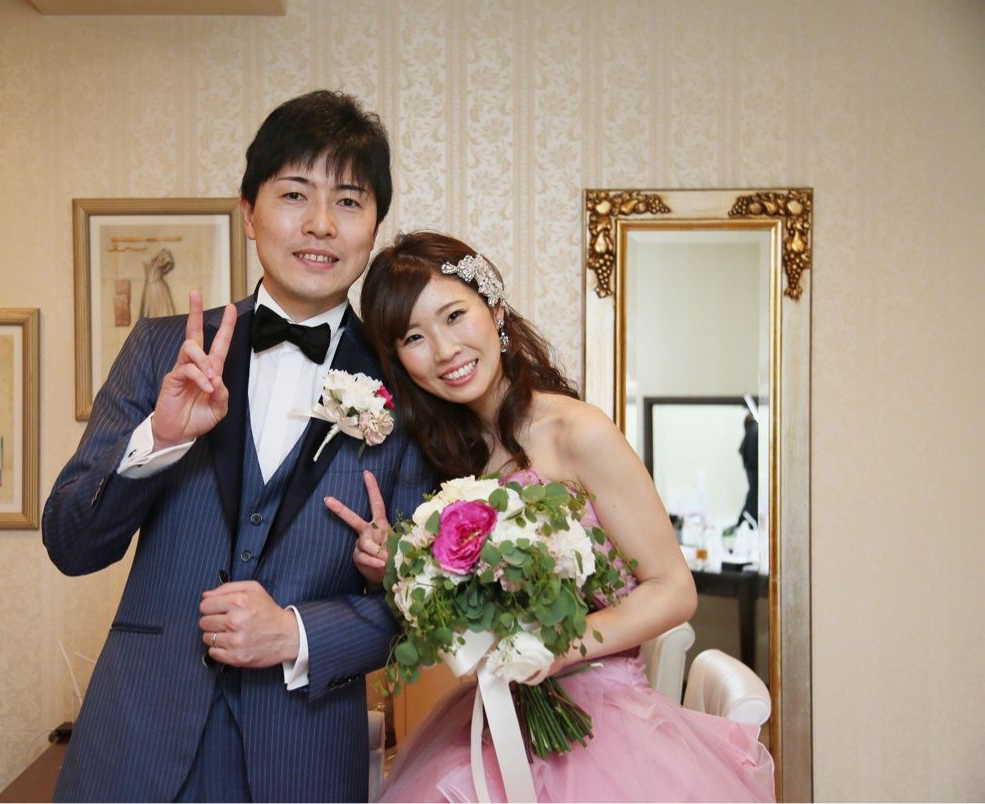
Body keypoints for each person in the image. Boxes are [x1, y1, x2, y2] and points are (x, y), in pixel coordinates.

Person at [41, 91, 431, 803]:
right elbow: (71, 544)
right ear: (249, 211)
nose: (320, 224)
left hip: (303, 756)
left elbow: (425, 601)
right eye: (294, 194)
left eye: (348, 201)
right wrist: (158, 440)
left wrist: (296, 633)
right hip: (136, 743)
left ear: (374, 225)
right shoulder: (162, 348)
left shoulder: (407, 386)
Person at [327, 231, 776, 802]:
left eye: (455, 316)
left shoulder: (577, 432)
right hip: (497, 716)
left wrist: (558, 647)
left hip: (603, 721)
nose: (443, 350)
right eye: (414, 337)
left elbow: (674, 590)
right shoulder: (446, 456)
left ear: (494, 309)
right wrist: (395, 565)